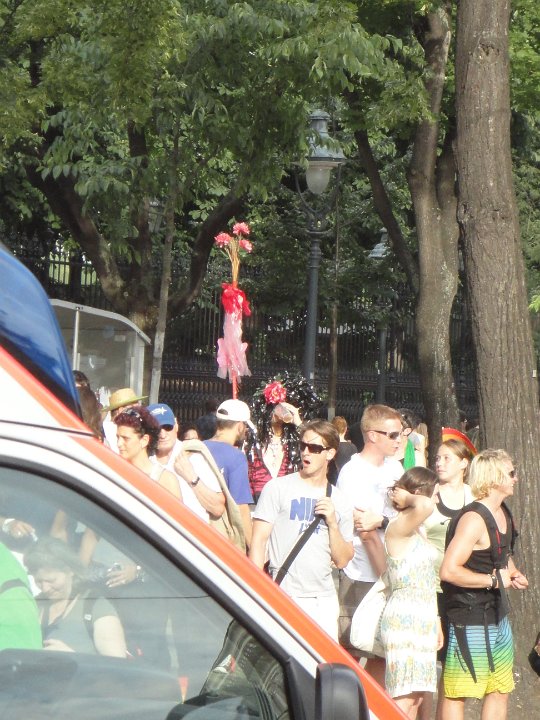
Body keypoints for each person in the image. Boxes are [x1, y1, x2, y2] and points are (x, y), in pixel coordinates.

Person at [439, 449, 528, 720]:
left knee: (500, 688)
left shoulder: (503, 512)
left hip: (497, 613)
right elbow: (448, 570)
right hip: (469, 615)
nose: (515, 478)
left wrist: (513, 572)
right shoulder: (473, 520)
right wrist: (492, 580)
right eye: (511, 473)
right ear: (494, 477)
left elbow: (502, 554)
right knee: (458, 692)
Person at [250, 420, 354, 639]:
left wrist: (332, 524)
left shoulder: (340, 500)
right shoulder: (277, 488)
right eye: (303, 445)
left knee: (322, 659)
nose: (306, 452)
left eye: (314, 448)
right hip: (282, 593)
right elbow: (258, 541)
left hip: (321, 600)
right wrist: (256, 588)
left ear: (330, 453)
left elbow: (343, 560)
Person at [336, 403, 403, 684]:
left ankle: (371, 703)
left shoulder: (396, 467)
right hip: (362, 573)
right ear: (372, 435)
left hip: (391, 571)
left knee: (382, 653)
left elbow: (405, 516)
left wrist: (383, 521)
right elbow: (363, 527)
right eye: (393, 434)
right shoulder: (353, 472)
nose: (399, 440)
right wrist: (386, 573)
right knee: (351, 648)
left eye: (401, 434)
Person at [381, 467, 443, 719]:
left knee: (416, 698)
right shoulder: (399, 527)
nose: (436, 500)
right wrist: (406, 497)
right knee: (403, 699)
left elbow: (428, 578)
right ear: (420, 493)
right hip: (404, 618)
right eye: (434, 493)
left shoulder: (418, 529)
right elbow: (425, 505)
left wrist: (436, 620)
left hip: (424, 616)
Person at [422, 436, 475, 720]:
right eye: (437, 458)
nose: (439, 463)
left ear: (464, 463)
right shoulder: (429, 494)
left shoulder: (473, 497)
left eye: (447, 458)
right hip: (428, 588)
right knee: (425, 663)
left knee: (451, 666)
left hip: (459, 590)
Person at [24, 537, 127, 657]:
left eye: (51, 580)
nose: (45, 588)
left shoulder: (95, 606)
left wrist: (72, 657)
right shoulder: (33, 606)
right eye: (39, 581)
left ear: (70, 571)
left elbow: (116, 663)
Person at [246, 374, 323, 502]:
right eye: (274, 406)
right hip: (257, 504)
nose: (279, 409)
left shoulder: (295, 444)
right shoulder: (254, 443)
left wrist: (298, 423)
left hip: (286, 504)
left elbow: (315, 446)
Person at [147, 403, 225, 523]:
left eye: (167, 427)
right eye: (156, 429)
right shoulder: (145, 460)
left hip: (192, 531)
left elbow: (218, 508)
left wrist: (191, 476)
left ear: (176, 425)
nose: (162, 434)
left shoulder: (193, 456)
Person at [204, 399, 254, 547]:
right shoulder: (236, 457)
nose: (246, 430)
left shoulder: (199, 447)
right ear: (240, 426)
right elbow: (241, 509)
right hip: (221, 540)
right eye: (245, 426)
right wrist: (253, 548)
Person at [327, 416, 357, 485]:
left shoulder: (329, 446)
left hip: (331, 480)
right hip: (347, 481)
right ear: (345, 429)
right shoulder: (352, 447)